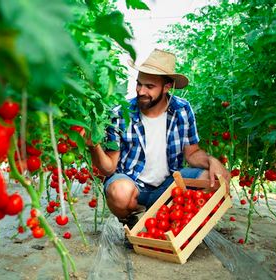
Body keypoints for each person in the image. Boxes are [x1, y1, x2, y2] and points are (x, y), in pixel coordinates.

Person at [87, 49, 230, 228]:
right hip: (134, 187)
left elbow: (192, 153)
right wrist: (94, 147)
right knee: (119, 191)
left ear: (167, 87)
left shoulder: (182, 110)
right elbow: (109, 168)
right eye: (139, 84)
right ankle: (132, 221)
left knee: (215, 180)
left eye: (149, 86)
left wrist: (211, 161)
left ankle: (171, 221)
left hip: (169, 186)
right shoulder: (120, 114)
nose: (141, 91)